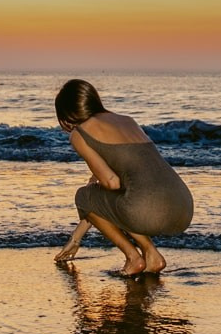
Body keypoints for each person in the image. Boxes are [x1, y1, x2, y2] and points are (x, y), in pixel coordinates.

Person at [53, 78, 194, 276]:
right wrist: (76, 238)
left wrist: (96, 187)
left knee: (85, 194)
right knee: (114, 196)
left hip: (147, 210)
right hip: (183, 208)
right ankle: (152, 255)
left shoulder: (79, 133)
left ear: (67, 113)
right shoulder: (128, 121)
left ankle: (133, 258)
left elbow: (110, 184)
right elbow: (100, 204)